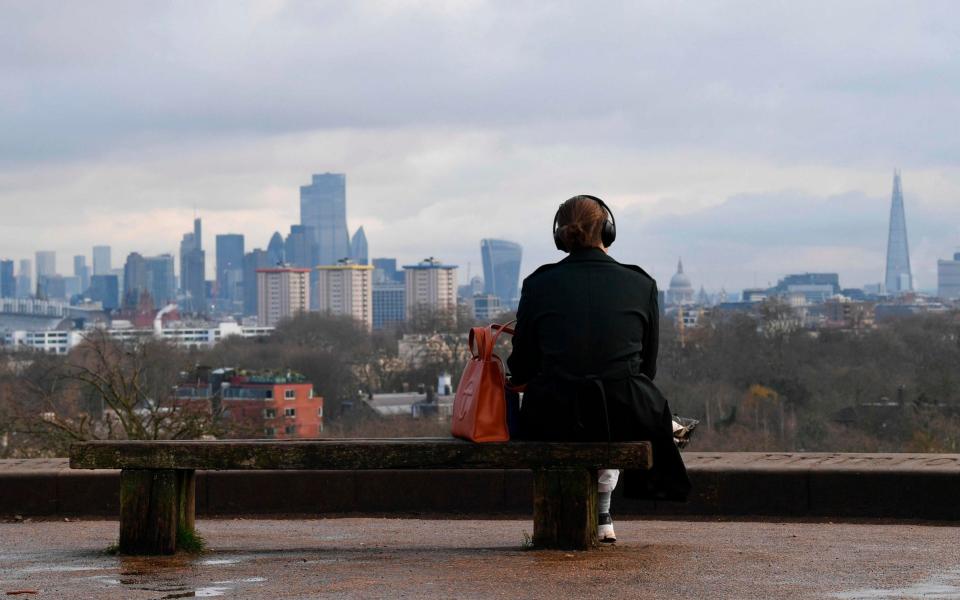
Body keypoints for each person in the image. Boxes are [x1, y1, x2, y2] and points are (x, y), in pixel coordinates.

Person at [506, 195, 691, 543]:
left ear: (560, 236)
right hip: (620, 414)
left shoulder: (538, 284)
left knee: (590, 402)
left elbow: (522, 367)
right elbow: (646, 368)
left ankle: (598, 510)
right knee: (616, 402)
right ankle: (603, 509)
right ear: (608, 230)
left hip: (550, 416)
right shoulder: (641, 284)